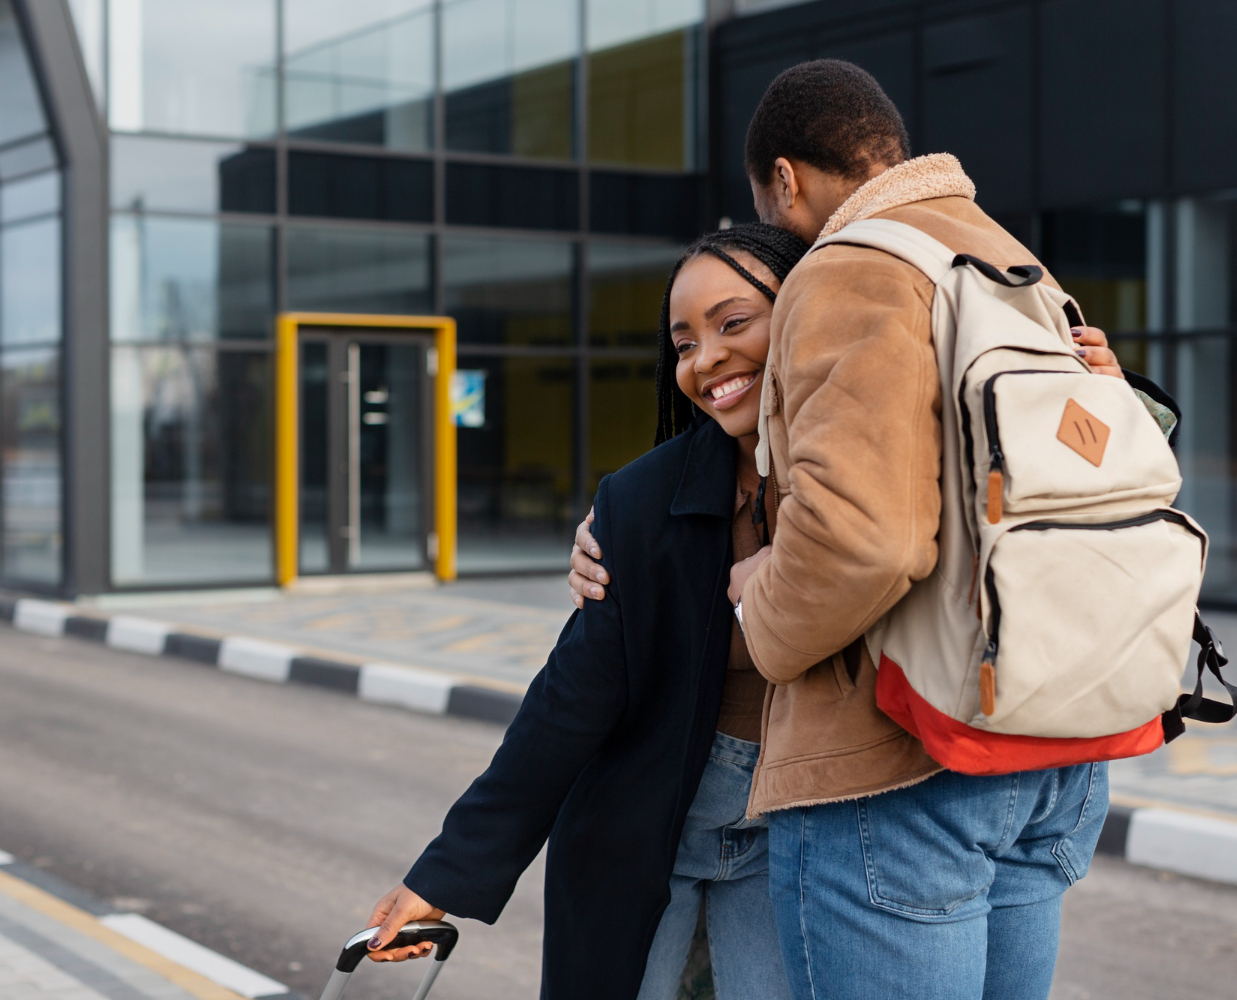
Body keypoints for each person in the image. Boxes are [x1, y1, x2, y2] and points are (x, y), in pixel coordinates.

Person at [567, 59, 1133, 1000]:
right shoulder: (1010, 265)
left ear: (784, 179)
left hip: (909, 756)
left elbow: (864, 539)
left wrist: (763, 612)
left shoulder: (855, 266)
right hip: (1058, 736)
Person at [358, 224, 813, 1000]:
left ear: (809, 312)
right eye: (683, 342)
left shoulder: (867, 486)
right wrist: (443, 874)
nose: (705, 360)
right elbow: (569, 700)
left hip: (797, 831)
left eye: (734, 323)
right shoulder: (638, 502)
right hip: (643, 835)